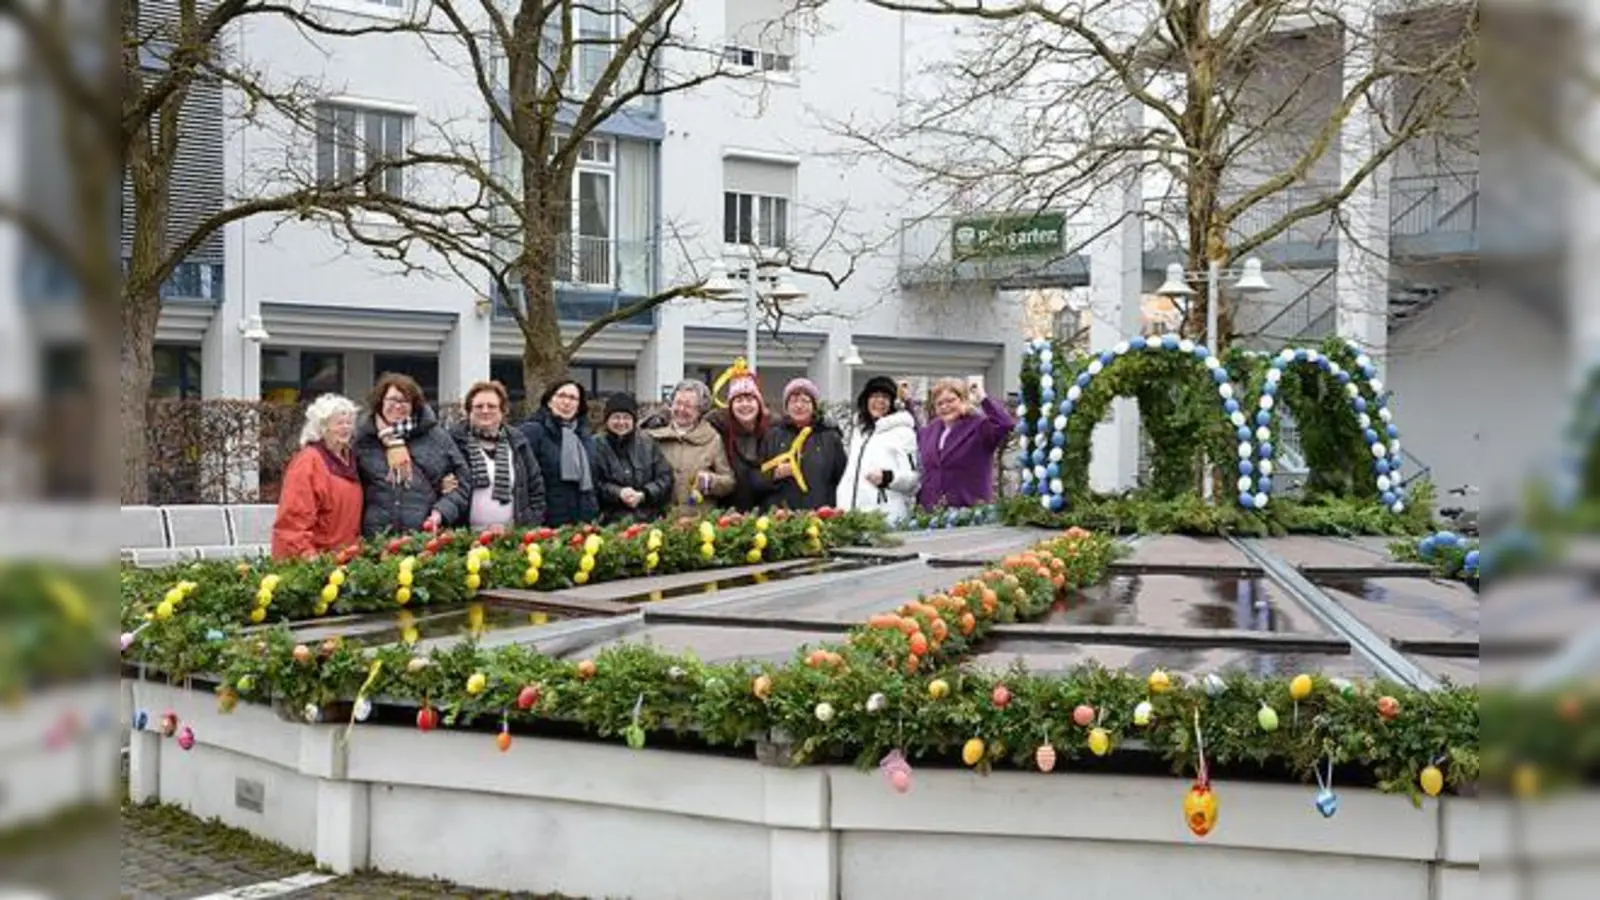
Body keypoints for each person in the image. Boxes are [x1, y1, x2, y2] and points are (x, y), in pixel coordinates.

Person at [353, 373, 471, 538]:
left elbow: (462, 483)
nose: (398, 406)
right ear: (380, 401)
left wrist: (440, 513)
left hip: (423, 537)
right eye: (392, 400)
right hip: (374, 540)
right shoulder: (364, 438)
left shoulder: (435, 437)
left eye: (405, 401)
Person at [271, 393, 364, 560]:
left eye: (349, 423)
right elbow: (293, 522)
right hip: (318, 562)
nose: (346, 428)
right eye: (339, 423)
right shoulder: (308, 461)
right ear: (322, 427)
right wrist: (309, 559)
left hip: (346, 559)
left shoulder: (351, 459)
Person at [447, 380, 546, 530]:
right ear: (469, 411)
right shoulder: (452, 442)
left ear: (502, 411)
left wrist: (530, 523)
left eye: (492, 406)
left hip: (511, 538)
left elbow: (536, 487)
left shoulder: (518, 443)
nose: (485, 411)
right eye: (479, 406)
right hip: (463, 538)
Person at [917, 376, 1015, 510]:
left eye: (950, 401)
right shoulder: (928, 432)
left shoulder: (979, 427)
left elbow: (1005, 423)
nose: (945, 407)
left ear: (963, 400)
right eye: (939, 403)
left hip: (970, 512)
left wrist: (983, 398)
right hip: (932, 514)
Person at [839, 376, 922, 521]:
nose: (879, 401)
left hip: (884, 517)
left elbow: (913, 480)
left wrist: (888, 477)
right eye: (874, 396)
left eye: (885, 397)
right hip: (851, 516)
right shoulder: (859, 432)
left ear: (893, 403)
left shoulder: (903, 432)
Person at [519, 379, 599, 525]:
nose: (566, 402)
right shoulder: (533, 432)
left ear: (579, 406)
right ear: (549, 401)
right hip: (546, 523)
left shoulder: (586, 438)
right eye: (561, 396)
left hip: (583, 523)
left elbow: (593, 482)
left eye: (573, 398)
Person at [759, 377, 847, 510]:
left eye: (805, 401)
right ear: (786, 407)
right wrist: (774, 474)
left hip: (820, 516)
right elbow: (755, 477)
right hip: (779, 517)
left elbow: (842, 478)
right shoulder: (772, 435)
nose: (799, 406)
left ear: (814, 406)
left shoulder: (830, 437)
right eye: (793, 401)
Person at [647, 379, 734, 507]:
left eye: (688, 406)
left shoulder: (712, 439)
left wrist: (710, 481)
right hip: (660, 521)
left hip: (698, 521)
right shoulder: (654, 437)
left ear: (700, 410)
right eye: (678, 403)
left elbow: (729, 482)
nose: (681, 409)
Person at [592, 392, 675, 522]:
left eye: (626, 417)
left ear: (634, 420)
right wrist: (618, 493)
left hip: (646, 521)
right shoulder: (595, 446)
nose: (621, 422)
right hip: (608, 522)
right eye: (616, 417)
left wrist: (644, 494)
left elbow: (665, 478)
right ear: (607, 420)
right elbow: (593, 483)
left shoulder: (648, 444)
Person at [705, 360, 774, 512]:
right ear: (730, 405)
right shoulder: (718, 429)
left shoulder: (772, 430)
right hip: (727, 514)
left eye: (750, 399)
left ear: (759, 404)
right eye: (739, 400)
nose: (745, 405)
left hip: (767, 514)